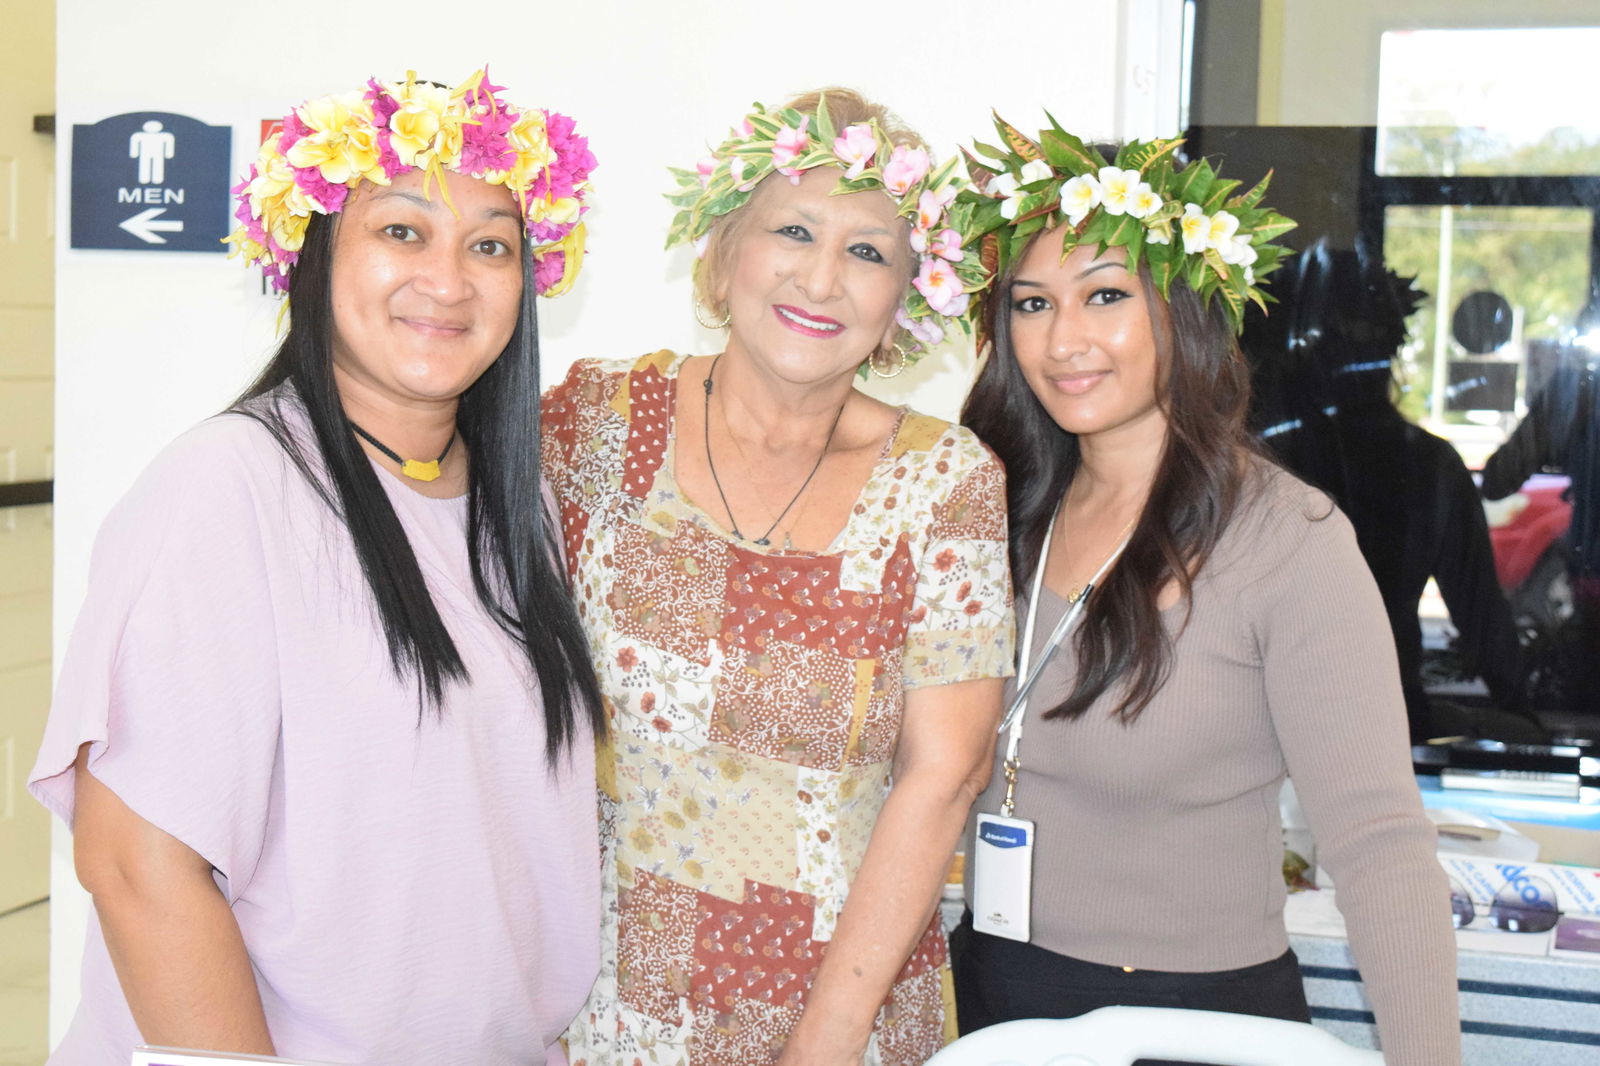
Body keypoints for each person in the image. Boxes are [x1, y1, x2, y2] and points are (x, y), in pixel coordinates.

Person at [30, 69, 603, 1065]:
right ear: (315, 251)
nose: (449, 279)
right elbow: (138, 865)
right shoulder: (229, 489)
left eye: (491, 245)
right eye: (401, 231)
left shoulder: (523, 511)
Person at [951, 121, 1460, 1066]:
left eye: (1106, 295)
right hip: (988, 999)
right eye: (1030, 303)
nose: (1063, 339)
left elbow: (1381, 842)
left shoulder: (1287, 541)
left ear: (1184, 312)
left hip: (1196, 1027)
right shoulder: (998, 506)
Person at [543, 90, 1012, 1065]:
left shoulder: (944, 480)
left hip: (846, 1012)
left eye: (869, 252)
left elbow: (945, 773)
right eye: (793, 230)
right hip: (606, 1002)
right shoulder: (594, 425)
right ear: (722, 254)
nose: (822, 277)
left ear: (904, 301)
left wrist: (825, 1043)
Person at [1244, 240, 1535, 742]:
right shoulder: (1429, 464)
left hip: (1262, 725)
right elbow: (1485, 622)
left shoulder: (1246, 459)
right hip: (1381, 723)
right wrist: (1529, 724)